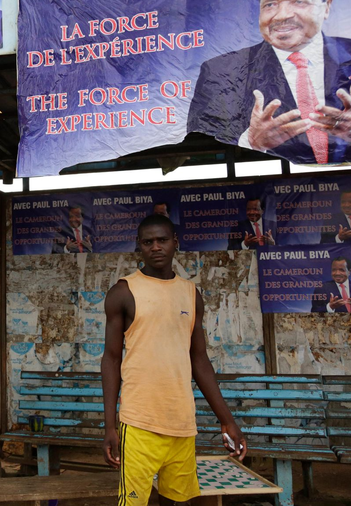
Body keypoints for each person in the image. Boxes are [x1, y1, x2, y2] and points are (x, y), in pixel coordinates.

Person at [102, 215, 246, 506]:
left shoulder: (191, 294)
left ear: (175, 243)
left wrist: (227, 421)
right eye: (148, 242)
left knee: (178, 502)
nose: (156, 247)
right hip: (139, 421)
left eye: (162, 240)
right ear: (139, 247)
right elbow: (111, 359)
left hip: (181, 422)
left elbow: (200, 360)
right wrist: (109, 426)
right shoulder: (123, 292)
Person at [187, 0, 351, 165]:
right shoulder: (222, 72)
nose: (281, 15)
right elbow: (198, 154)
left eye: (298, 1)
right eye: (270, 4)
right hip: (270, 190)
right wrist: (251, 142)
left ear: (327, 5)